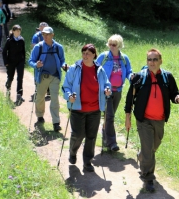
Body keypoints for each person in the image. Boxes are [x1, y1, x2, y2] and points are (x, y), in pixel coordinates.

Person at [124, 48, 179, 192]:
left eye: (155, 59)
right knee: (149, 149)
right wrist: (128, 119)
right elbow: (129, 100)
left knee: (152, 147)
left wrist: (178, 98)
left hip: (160, 120)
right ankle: (148, 177)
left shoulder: (167, 77)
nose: (152, 62)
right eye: (149, 59)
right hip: (143, 120)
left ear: (160, 61)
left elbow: (174, 93)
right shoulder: (139, 77)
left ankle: (142, 157)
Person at [62, 44, 111, 172]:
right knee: (78, 135)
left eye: (88, 53)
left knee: (91, 136)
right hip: (77, 108)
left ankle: (87, 162)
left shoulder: (99, 70)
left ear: (94, 55)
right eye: (84, 53)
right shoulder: (74, 68)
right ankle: (73, 152)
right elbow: (66, 86)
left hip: (95, 109)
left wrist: (107, 89)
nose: (85, 55)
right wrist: (69, 96)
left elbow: (107, 83)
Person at [96, 34, 133, 151]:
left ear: (119, 45)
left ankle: (105, 135)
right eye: (110, 44)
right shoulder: (104, 56)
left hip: (118, 91)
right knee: (110, 116)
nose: (111, 46)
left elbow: (129, 71)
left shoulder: (124, 58)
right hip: (105, 91)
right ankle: (112, 143)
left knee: (109, 117)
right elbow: (94, 69)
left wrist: (131, 77)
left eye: (114, 44)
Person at [28, 26, 66, 132]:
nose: (45, 36)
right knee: (40, 97)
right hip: (42, 77)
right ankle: (40, 117)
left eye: (47, 34)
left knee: (54, 99)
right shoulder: (38, 47)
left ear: (52, 35)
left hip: (55, 76)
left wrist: (64, 66)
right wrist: (36, 64)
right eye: (44, 34)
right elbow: (30, 61)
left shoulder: (59, 47)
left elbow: (62, 60)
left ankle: (56, 122)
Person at [2, 24, 26, 105]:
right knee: (10, 77)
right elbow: (4, 52)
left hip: (20, 61)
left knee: (20, 78)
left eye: (19, 31)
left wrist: (24, 61)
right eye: (17, 31)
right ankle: (8, 89)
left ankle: (19, 95)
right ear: (13, 31)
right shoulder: (9, 41)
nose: (18, 32)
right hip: (11, 62)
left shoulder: (22, 40)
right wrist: (6, 62)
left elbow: (23, 52)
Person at [30, 22, 51, 101]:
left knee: (48, 73)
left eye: (44, 28)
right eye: (41, 28)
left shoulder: (49, 36)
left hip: (48, 58)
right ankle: (37, 89)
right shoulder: (36, 36)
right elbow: (33, 45)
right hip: (38, 58)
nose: (43, 30)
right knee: (37, 73)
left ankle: (48, 91)